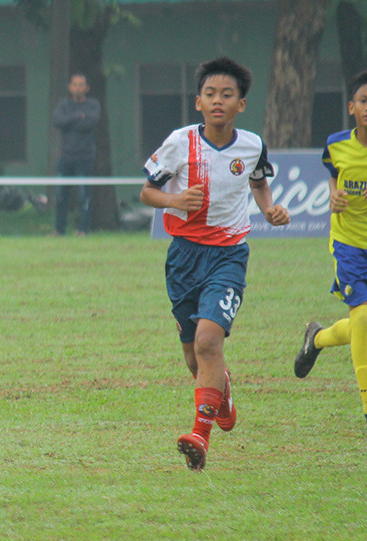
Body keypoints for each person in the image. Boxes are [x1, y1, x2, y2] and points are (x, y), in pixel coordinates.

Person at [140, 56, 289, 471]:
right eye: (210, 94)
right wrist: (174, 199)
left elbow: (258, 181)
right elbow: (147, 192)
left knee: (209, 342)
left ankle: (199, 437)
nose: (218, 100)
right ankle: (221, 394)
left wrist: (269, 208)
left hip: (228, 255)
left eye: (227, 94)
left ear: (241, 103)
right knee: (194, 357)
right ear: (198, 102)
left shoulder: (252, 145)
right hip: (184, 256)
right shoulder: (179, 142)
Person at [293, 70, 367, 424]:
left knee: (363, 325)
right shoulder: (336, 145)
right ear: (352, 107)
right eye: (364, 101)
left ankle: (317, 338)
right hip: (349, 244)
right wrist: (333, 194)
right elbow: (334, 175)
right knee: (363, 317)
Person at [53, 73, 100, 236]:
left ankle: (83, 229)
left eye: (81, 85)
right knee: (60, 195)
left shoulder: (93, 105)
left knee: (84, 195)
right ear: (69, 87)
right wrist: (77, 116)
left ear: (87, 88)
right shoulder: (63, 105)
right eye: (75, 84)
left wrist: (71, 120)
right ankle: (59, 229)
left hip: (85, 157)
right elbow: (58, 121)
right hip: (66, 156)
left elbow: (90, 123)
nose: (78, 88)